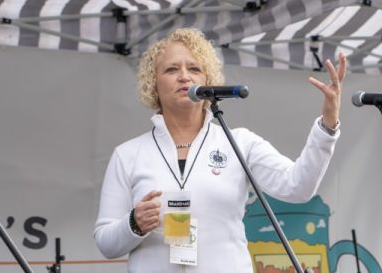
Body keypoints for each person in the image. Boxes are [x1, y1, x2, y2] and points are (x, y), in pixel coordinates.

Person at [94, 27, 346, 273]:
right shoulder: (127, 155)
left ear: (208, 80)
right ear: (153, 83)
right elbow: (105, 241)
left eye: (194, 68)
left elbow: (298, 187)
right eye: (171, 69)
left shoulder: (239, 142)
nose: (184, 76)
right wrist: (133, 224)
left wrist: (327, 125)